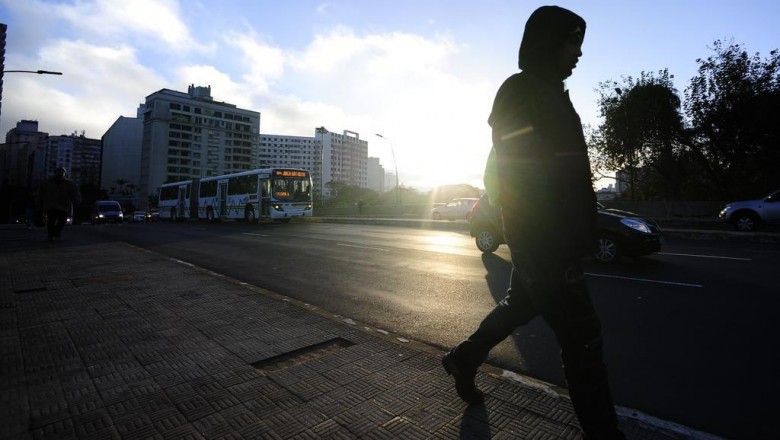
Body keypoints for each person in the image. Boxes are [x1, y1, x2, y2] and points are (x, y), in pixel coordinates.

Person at [442, 6, 626, 440]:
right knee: (584, 341)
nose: (578, 53)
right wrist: (553, 240)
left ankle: (464, 359)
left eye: (581, 43)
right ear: (546, 42)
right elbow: (523, 174)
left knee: (518, 306)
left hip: (547, 239)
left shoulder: (549, 91)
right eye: (571, 41)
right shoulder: (521, 91)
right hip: (546, 240)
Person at [36, 167, 81, 241]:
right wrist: (39, 204)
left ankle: (56, 232)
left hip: (63, 206)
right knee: (51, 221)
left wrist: (77, 202)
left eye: (62, 172)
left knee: (62, 221)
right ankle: (51, 235)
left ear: (64, 174)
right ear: (55, 173)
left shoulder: (69, 184)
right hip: (50, 205)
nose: (60, 173)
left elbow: (75, 194)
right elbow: (40, 194)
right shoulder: (47, 183)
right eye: (59, 172)